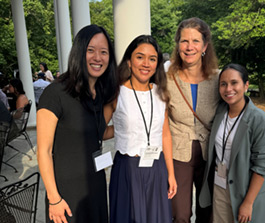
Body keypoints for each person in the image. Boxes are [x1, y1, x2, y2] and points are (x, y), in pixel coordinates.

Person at [37, 24, 119, 223]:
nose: (97, 58)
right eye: (90, 50)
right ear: (78, 52)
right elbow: (44, 151)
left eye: (104, 52)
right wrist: (54, 199)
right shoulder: (55, 93)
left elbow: (98, 134)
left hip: (96, 187)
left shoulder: (98, 95)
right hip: (67, 193)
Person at [103, 35, 177, 223]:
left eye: (152, 59)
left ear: (157, 64)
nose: (146, 64)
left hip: (157, 167)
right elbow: (100, 132)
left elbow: (165, 134)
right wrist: (121, 129)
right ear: (129, 61)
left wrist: (171, 173)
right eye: (140, 57)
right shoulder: (116, 93)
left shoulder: (161, 93)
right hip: (127, 169)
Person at [199, 63, 265, 223]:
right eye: (223, 84)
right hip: (220, 186)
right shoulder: (220, 112)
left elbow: (262, 167)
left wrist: (248, 203)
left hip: (246, 190)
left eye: (234, 83)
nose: (228, 89)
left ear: (246, 85)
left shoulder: (261, 120)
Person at [166, 17, 219, 222]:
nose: (189, 47)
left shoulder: (218, 79)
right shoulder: (167, 79)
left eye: (195, 41)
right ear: (178, 44)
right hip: (178, 154)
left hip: (210, 155)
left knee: (207, 211)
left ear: (205, 46)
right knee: (179, 214)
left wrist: (259, 141)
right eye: (184, 41)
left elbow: (239, 109)